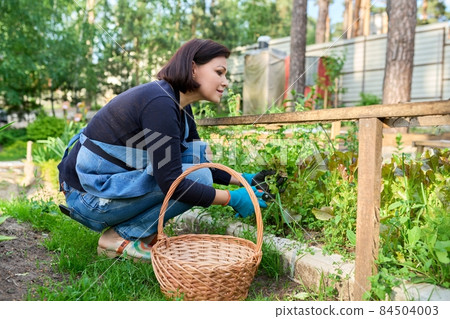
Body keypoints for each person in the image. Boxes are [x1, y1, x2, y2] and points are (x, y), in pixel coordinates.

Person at [57, 39, 268, 262]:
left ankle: (136, 233)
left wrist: (246, 180)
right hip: (88, 199)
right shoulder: (159, 103)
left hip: (103, 188)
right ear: (194, 68)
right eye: (219, 72)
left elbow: (196, 159)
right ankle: (120, 237)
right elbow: (171, 182)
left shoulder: (178, 105)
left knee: (197, 165)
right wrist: (231, 199)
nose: (225, 82)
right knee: (199, 178)